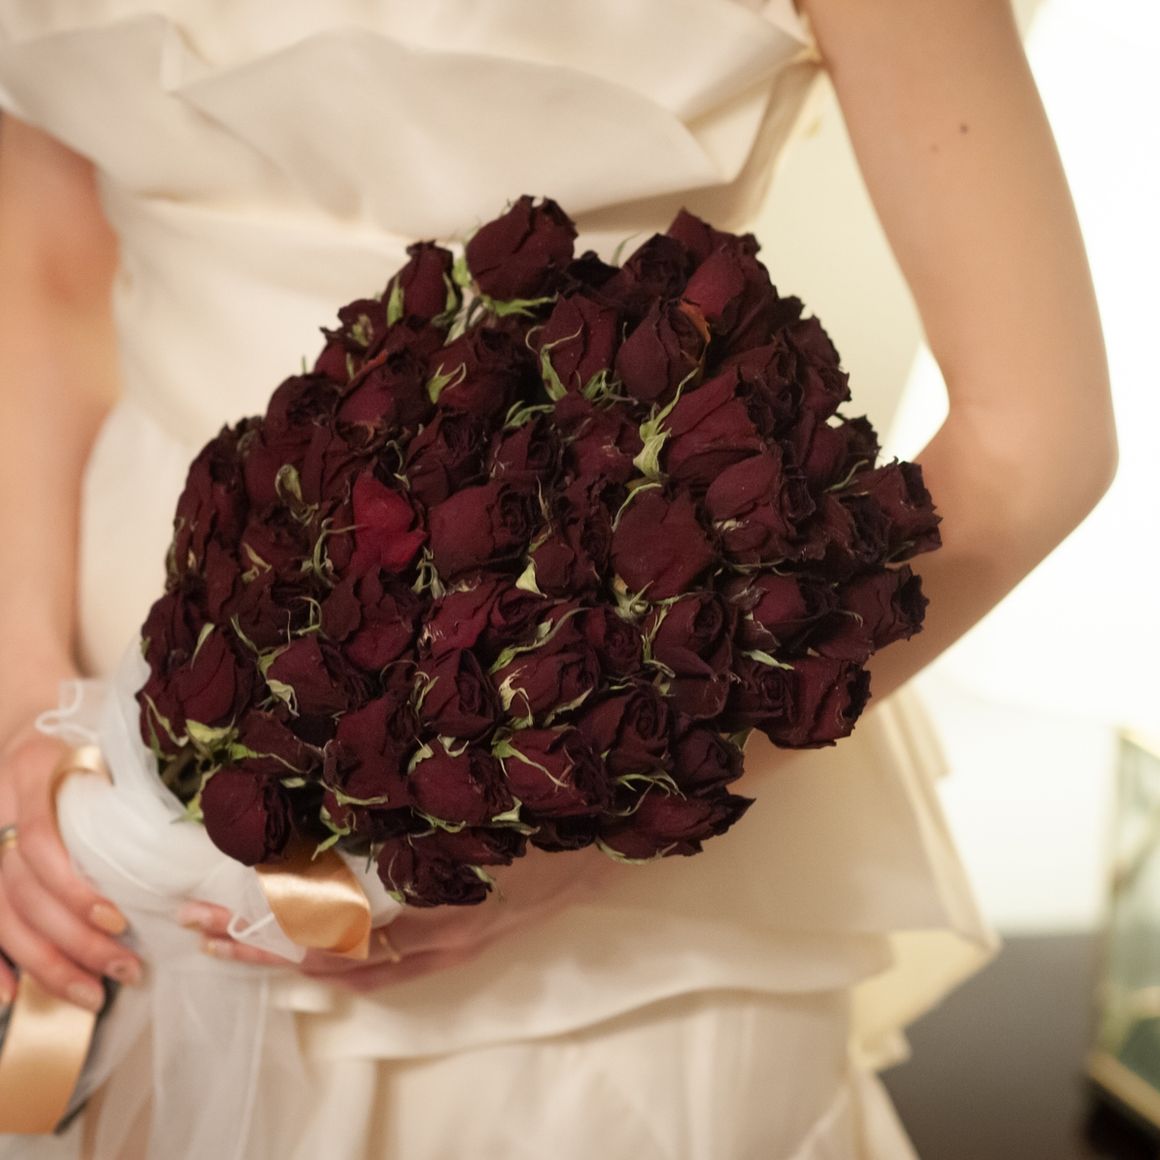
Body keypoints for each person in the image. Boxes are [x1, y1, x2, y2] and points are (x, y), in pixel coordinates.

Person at [0, 0, 1116, 1156]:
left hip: (583, 767)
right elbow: (48, 269)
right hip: (90, 744)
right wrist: (21, 703)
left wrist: (588, 827)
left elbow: (1031, 445)